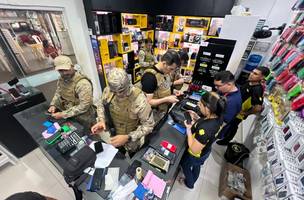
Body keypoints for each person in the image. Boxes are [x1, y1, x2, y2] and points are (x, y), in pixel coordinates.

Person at [91, 68, 155, 155]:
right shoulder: (108, 90)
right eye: (114, 91)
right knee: (118, 156)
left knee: (133, 157)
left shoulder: (139, 100)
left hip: (132, 139)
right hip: (114, 133)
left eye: (121, 91)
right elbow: (101, 104)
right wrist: (102, 120)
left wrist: (128, 137)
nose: (118, 95)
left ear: (127, 83)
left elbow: (149, 126)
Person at [180, 92, 226, 189]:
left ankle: (190, 184)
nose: (198, 105)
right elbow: (208, 121)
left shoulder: (205, 130)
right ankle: (194, 178)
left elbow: (194, 149)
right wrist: (198, 118)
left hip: (196, 154)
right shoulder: (219, 116)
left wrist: (188, 129)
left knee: (185, 164)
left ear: (208, 109)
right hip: (206, 150)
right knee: (197, 166)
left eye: (200, 104)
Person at [217, 66, 271, 145]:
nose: (251, 74)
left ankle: (226, 140)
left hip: (239, 113)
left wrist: (245, 113)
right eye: (252, 72)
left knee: (233, 126)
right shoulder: (249, 81)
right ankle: (223, 136)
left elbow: (258, 108)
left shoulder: (257, 89)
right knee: (228, 124)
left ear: (262, 77)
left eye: (255, 74)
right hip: (234, 109)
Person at [48, 55, 97, 134]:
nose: (64, 73)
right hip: (69, 113)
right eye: (61, 71)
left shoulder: (82, 83)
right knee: (74, 136)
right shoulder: (62, 79)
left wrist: (63, 114)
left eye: (66, 70)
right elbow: (58, 92)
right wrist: (53, 104)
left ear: (72, 66)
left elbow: (84, 106)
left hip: (84, 117)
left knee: (90, 135)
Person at [140, 50, 181, 122]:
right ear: (164, 63)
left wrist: (173, 91)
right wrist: (167, 99)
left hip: (164, 112)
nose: (171, 72)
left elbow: (164, 86)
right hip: (154, 116)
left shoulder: (165, 72)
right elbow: (147, 102)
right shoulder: (149, 77)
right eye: (171, 69)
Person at [213, 71, 242, 140]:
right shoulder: (225, 90)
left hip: (215, 129)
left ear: (229, 84)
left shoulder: (233, 102)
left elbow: (223, 122)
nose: (216, 88)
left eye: (218, 86)